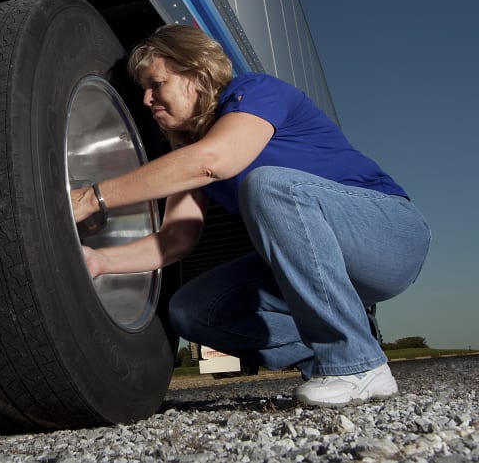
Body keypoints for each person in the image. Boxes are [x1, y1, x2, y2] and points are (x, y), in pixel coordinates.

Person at [70, 24, 431, 407]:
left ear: (195, 73)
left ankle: (354, 362)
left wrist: (93, 198)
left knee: (269, 186)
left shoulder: (257, 91)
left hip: (390, 237)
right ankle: (337, 355)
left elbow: (216, 161)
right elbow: (175, 238)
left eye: (156, 84)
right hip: (322, 263)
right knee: (193, 310)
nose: (146, 99)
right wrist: (99, 261)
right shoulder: (191, 151)